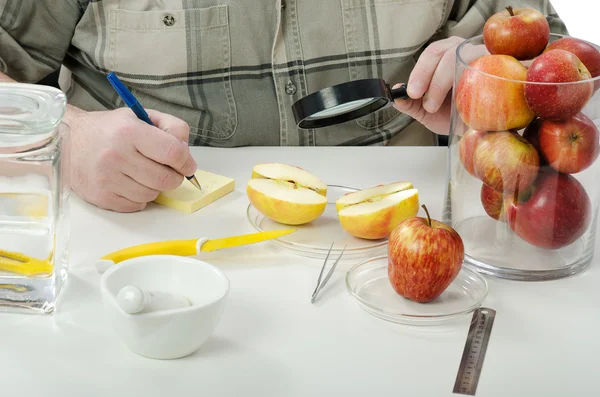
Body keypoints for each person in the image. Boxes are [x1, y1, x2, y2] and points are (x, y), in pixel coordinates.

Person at [0, 0, 567, 212]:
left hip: (392, 247)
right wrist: (67, 139)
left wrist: (488, 91)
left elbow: (567, 77)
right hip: (146, 254)